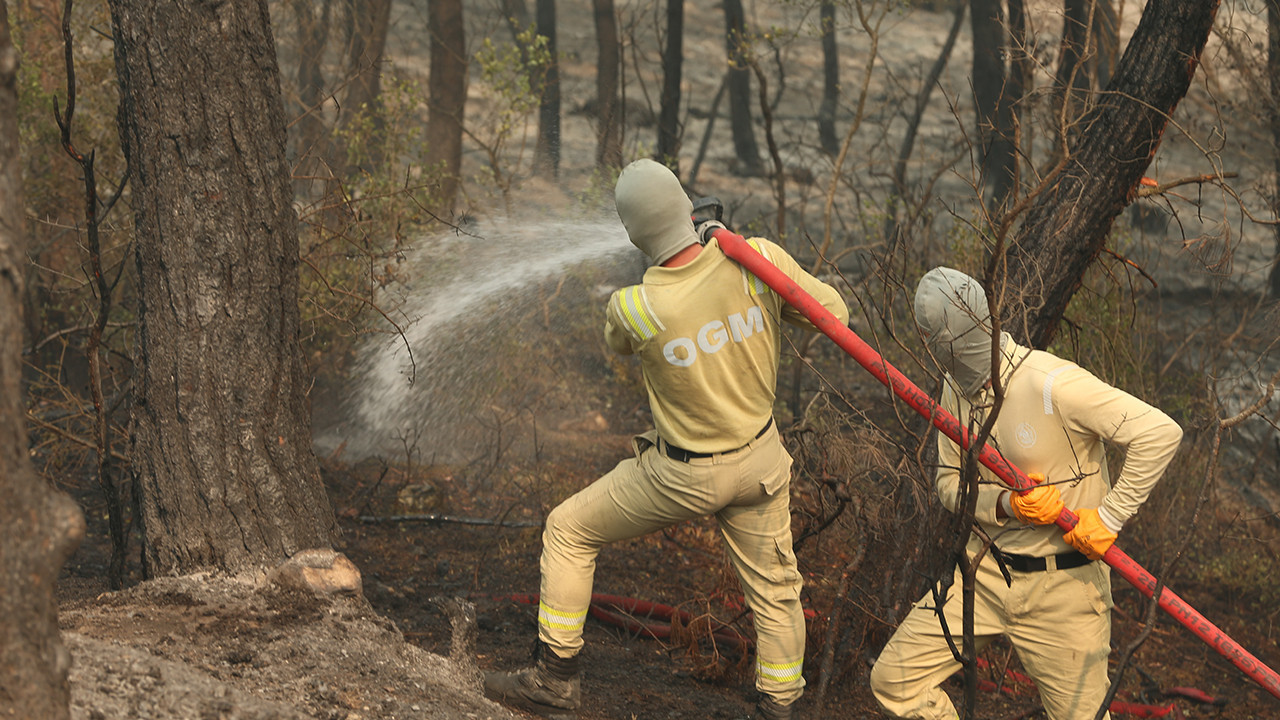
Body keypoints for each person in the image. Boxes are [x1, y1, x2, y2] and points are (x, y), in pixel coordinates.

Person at [483, 158, 849, 719]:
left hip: (683, 476)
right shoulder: (759, 262)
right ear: (688, 206)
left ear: (632, 235)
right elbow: (833, 313)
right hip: (761, 464)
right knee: (777, 591)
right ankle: (781, 706)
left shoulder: (635, 307)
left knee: (568, 531)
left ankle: (554, 682)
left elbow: (619, 344)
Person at [869, 267, 1183, 720]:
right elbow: (947, 485)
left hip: (1065, 591)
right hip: (986, 576)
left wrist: (1109, 518)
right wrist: (1003, 505)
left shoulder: (1050, 383)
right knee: (895, 681)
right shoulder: (955, 388)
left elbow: (1158, 432)